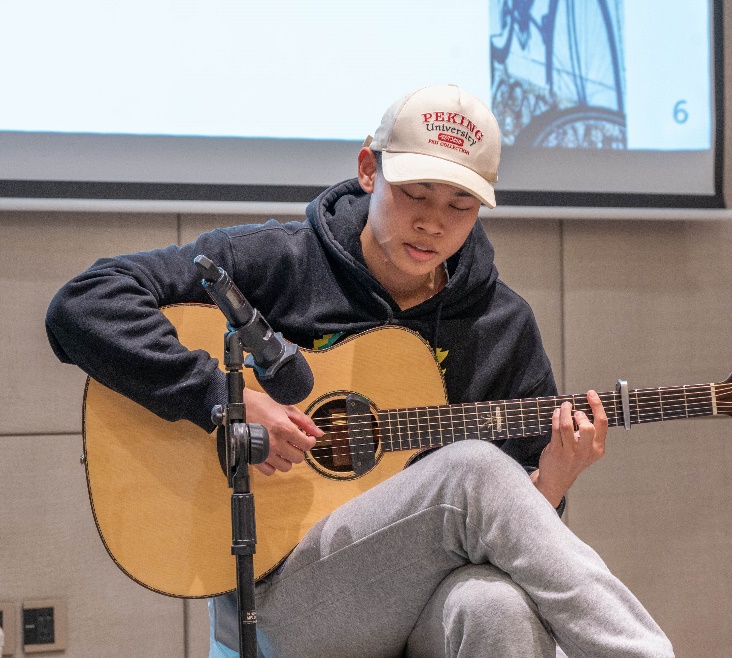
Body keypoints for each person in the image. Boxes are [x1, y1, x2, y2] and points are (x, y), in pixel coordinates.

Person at [46, 84, 673, 658]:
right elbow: (84, 303)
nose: (432, 222)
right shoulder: (282, 262)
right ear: (369, 169)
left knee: (497, 606)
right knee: (474, 469)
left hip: (418, 597)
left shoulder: (500, 323)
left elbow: (519, 534)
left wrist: (552, 481)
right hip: (282, 592)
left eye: (459, 205)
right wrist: (220, 397)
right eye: (415, 194)